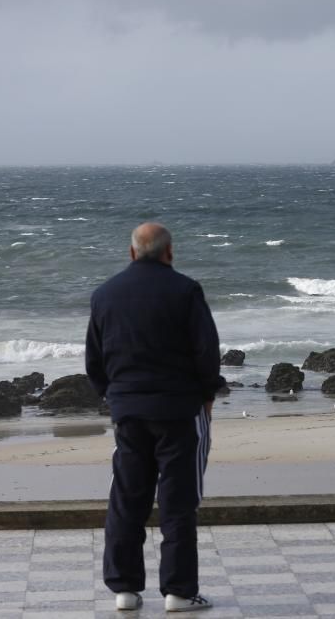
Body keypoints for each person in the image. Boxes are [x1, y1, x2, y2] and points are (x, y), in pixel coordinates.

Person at [86, 222, 224, 613]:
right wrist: (208, 393)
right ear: (170, 252)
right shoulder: (185, 291)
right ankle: (179, 592)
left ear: (131, 253)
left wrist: (112, 396)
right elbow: (206, 350)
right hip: (179, 411)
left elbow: (94, 360)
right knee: (178, 503)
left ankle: (125, 589)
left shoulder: (105, 294)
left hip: (128, 410)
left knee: (127, 499)